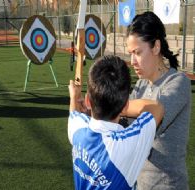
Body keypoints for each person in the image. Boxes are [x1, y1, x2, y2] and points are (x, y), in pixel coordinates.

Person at [68, 55, 164, 189]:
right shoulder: (125, 144)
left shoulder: (78, 129)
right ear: (125, 106)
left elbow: (74, 113)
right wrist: (120, 105)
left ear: (88, 101)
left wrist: (74, 97)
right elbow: (156, 107)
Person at [126, 11, 191, 190]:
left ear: (155, 47)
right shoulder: (140, 84)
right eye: (130, 53)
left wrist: (114, 105)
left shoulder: (178, 82)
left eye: (137, 52)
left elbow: (155, 111)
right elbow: (124, 124)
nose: (132, 61)